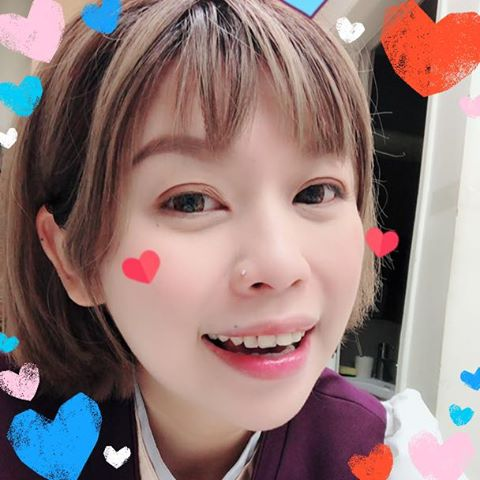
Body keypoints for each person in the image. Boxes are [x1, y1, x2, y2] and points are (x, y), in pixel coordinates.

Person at [0, 0, 467, 479]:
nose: (280, 265)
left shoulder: (390, 458)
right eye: (191, 201)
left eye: (316, 192)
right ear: (73, 258)